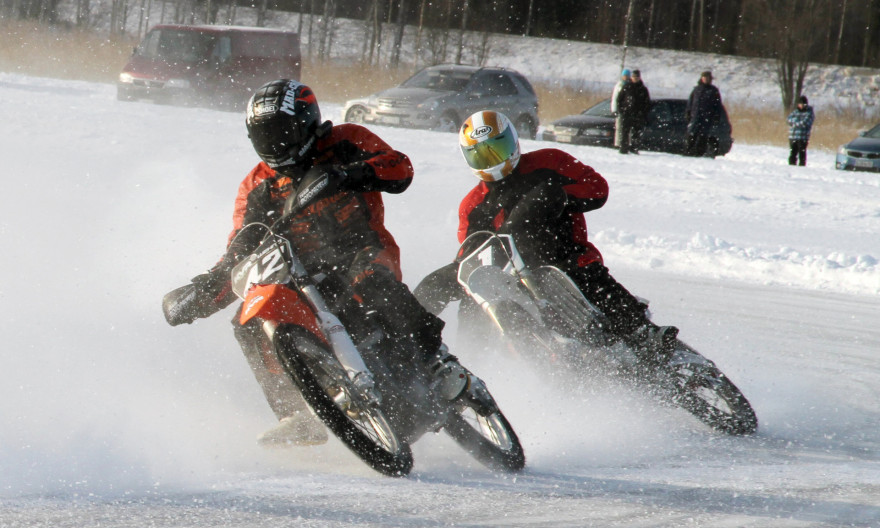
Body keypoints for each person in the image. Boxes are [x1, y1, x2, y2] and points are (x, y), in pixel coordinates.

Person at [163, 79, 470, 446]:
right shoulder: (257, 185)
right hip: (304, 274)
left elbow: (399, 168)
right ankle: (298, 412)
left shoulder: (346, 140)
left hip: (363, 250)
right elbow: (240, 247)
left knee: (375, 284)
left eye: (282, 132)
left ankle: (437, 362)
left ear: (307, 123)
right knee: (250, 320)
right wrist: (203, 289)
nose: (275, 144)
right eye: (265, 135)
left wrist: (346, 174)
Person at [414, 110, 679, 365]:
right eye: (482, 155)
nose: (493, 160)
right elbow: (470, 256)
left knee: (587, 277)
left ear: (514, 141)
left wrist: (558, 197)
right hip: (516, 283)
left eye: (498, 148)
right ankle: (462, 361)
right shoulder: (472, 205)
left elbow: (597, 189)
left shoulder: (549, 161)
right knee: (467, 293)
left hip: (569, 256)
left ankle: (642, 332)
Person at [685, 71, 724, 157]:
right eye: (704, 77)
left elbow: (717, 105)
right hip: (695, 117)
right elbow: (690, 103)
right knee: (691, 135)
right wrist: (688, 113)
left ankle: (699, 154)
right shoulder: (696, 89)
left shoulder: (713, 91)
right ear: (701, 79)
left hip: (707, 118)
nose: (706, 79)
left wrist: (716, 116)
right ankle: (688, 152)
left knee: (703, 137)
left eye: (707, 78)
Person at [616, 69, 651, 154]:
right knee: (624, 132)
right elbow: (619, 99)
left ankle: (634, 148)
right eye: (633, 77)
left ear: (639, 78)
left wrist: (643, 113)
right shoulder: (627, 87)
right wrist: (621, 110)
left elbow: (647, 103)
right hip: (626, 113)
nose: (635, 78)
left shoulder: (643, 89)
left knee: (636, 133)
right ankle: (623, 149)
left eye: (636, 77)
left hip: (638, 115)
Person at [787, 95, 815, 166]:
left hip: (802, 138)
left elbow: (804, 123)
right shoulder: (795, 112)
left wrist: (794, 123)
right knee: (792, 154)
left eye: (802, 104)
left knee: (802, 154)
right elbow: (788, 119)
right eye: (799, 104)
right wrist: (796, 122)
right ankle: (791, 166)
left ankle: (801, 167)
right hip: (793, 137)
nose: (800, 106)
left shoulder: (809, 113)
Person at [610, 68, 631, 149]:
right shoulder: (619, 85)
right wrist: (614, 109)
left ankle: (626, 144)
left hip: (628, 110)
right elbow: (615, 98)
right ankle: (617, 143)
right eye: (624, 75)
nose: (625, 77)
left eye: (627, 76)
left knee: (627, 128)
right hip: (620, 109)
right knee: (619, 127)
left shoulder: (630, 85)